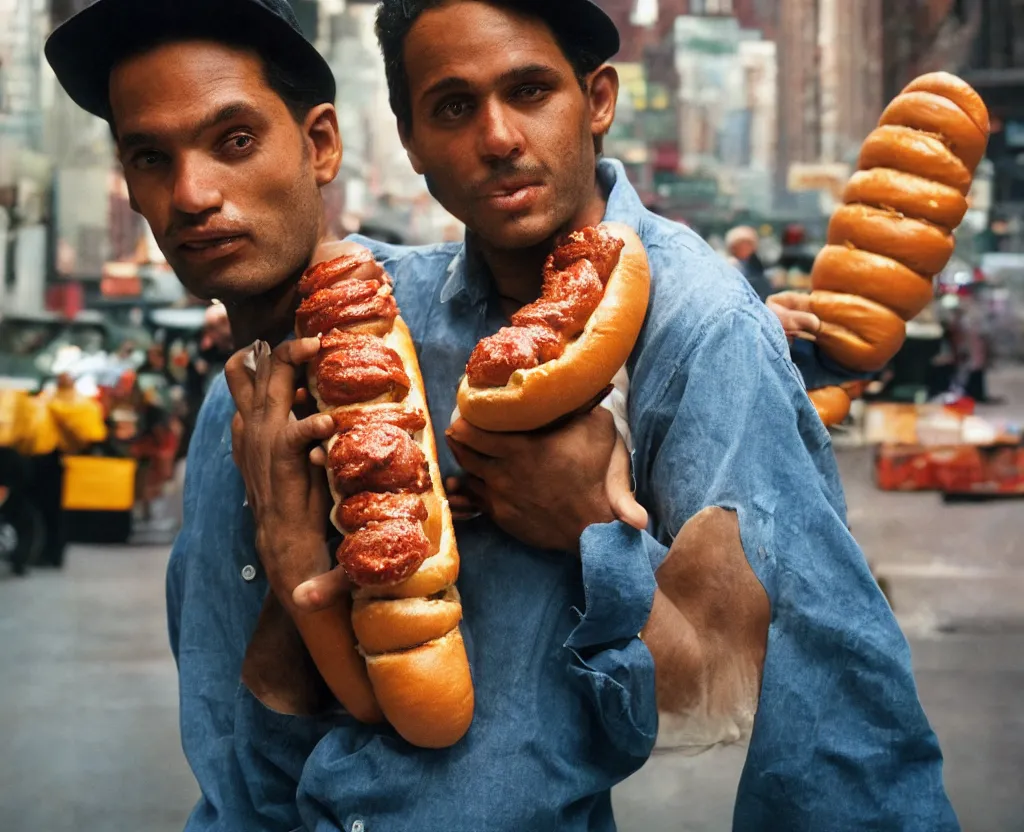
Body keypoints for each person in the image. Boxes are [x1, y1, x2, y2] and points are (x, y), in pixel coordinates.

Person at [43, 2, 956, 831]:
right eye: (450, 107)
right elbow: (240, 733)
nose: (498, 138)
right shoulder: (371, 332)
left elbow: (806, 702)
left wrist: (596, 529)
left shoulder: (699, 324)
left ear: (598, 97)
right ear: (406, 138)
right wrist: (293, 571)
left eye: (528, 91)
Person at [725, 224, 773, 301]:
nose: (746, 247)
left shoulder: (755, 264)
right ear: (733, 246)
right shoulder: (729, 264)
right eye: (743, 243)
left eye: (749, 244)